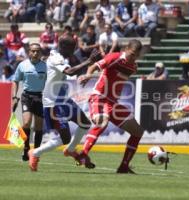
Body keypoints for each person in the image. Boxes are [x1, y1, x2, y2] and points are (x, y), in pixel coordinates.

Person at [27, 35, 100, 171]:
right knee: (65, 138)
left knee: (85, 123)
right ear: (65, 47)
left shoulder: (57, 56)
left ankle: (71, 150)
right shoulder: (56, 58)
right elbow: (69, 71)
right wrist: (89, 61)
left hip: (63, 100)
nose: (74, 51)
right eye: (72, 48)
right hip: (54, 103)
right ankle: (35, 153)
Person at [77, 39, 144, 174]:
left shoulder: (133, 67)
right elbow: (94, 66)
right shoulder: (114, 57)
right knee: (102, 122)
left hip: (113, 103)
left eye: (136, 56)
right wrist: (88, 75)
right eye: (131, 54)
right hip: (99, 97)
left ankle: (124, 166)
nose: (133, 58)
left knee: (137, 131)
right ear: (126, 49)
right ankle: (83, 154)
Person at [11, 43, 47, 161]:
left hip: (39, 97)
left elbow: (50, 81)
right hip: (27, 96)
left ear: (40, 52)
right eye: (33, 51)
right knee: (26, 123)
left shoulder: (45, 66)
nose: (35, 53)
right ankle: (26, 148)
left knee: (39, 126)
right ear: (29, 52)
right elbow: (15, 81)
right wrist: (14, 97)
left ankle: (36, 152)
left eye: (37, 51)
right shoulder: (22, 65)